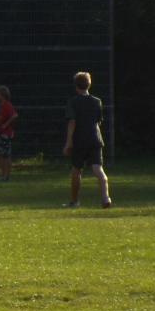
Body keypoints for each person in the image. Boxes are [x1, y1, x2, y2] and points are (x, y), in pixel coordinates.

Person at [63, 71, 111, 208]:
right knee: (98, 169)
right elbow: (98, 121)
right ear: (89, 84)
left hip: (80, 140)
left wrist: (69, 142)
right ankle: (106, 197)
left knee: (76, 170)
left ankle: (74, 201)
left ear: (76, 86)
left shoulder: (73, 102)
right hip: (95, 139)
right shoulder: (97, 101)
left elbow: (72, 122)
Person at [0, 85, 18, 181]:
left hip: (6, 134)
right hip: (0, 133)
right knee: (0, 154)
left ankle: (7, 176)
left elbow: (14, 115)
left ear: (2, 95)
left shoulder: (7, 105)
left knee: (6, 155)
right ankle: (3, 175)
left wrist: (5, 125)